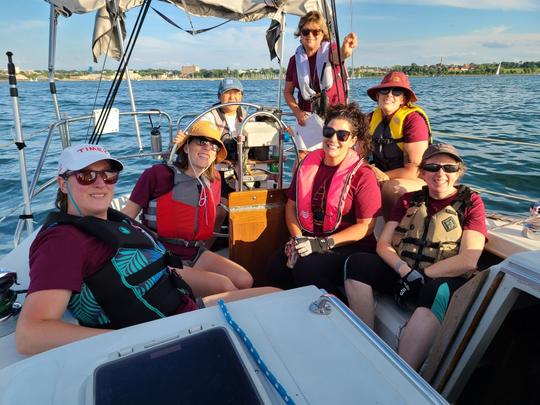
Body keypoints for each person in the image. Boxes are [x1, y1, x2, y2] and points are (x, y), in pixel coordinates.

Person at [16, 143, 279, 355]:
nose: (100, 183)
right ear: (63, 184)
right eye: (86, 176)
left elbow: (153, 266)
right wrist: (133, 341)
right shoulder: (63, 242)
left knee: (273, 295)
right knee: (275, 303)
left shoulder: (114, 220)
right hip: (170, 330)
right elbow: (31, 335)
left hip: (182, 306)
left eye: (108, 175)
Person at [344, 143, 487, 370]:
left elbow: (468, 260)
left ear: (458, 172)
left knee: (434, 290)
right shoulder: (407, 200)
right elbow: (383, 244)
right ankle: (368, 341)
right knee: (357, 264)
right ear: (421, 172)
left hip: (441, 278)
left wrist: (421, 276)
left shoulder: (471, 203)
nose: (440, 173)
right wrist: (405, 272)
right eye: (432, 167)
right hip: (406, 273)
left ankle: (403, 371)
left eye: (449, 168)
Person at [122, 121, 254, 297]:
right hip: (161, 255)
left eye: (213, 145)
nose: (207, 147)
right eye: (201, 141)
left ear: (216, 155)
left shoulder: (213, 180)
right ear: (185, 148)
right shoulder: (158, 175)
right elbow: (126, 217)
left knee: (245, 280)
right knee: (225, 287)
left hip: (194, 252)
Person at [266, 103, 381, 297]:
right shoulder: (308, 165)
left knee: (307, 268)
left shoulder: (364, 176)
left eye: (342, 135)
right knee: (275, 267)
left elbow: (366, 227)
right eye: (329, 132)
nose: (333, 139)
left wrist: (322, 244)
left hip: (348, 246)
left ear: (353, 139)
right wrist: (298, 237)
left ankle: (336, 313)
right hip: (309, 238)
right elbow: (291, 206)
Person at [284, 10, 357, 154]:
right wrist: (297, 112)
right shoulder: (294, 60)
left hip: (335, 117)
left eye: (315, 32)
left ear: (322, 34)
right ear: (300, 35)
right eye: (305, 32)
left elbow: (341, 56)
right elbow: (288, 92)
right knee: (303, 159)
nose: (310, 35)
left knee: (334, 157)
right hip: (308, 118)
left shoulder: (331, 50)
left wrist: (346, 49)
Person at [365, 71, 432, 217]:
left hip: (416, 180)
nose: (389, 95)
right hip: (379, 174)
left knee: (390, 189)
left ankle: (393, 234)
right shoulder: (370, 118)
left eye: (396, 91)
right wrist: (368, 171)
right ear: (378, 96)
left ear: (403, 99)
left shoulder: (413, 121)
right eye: (385, 90)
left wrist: (377, 175)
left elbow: (413, 171)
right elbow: (358, 153)